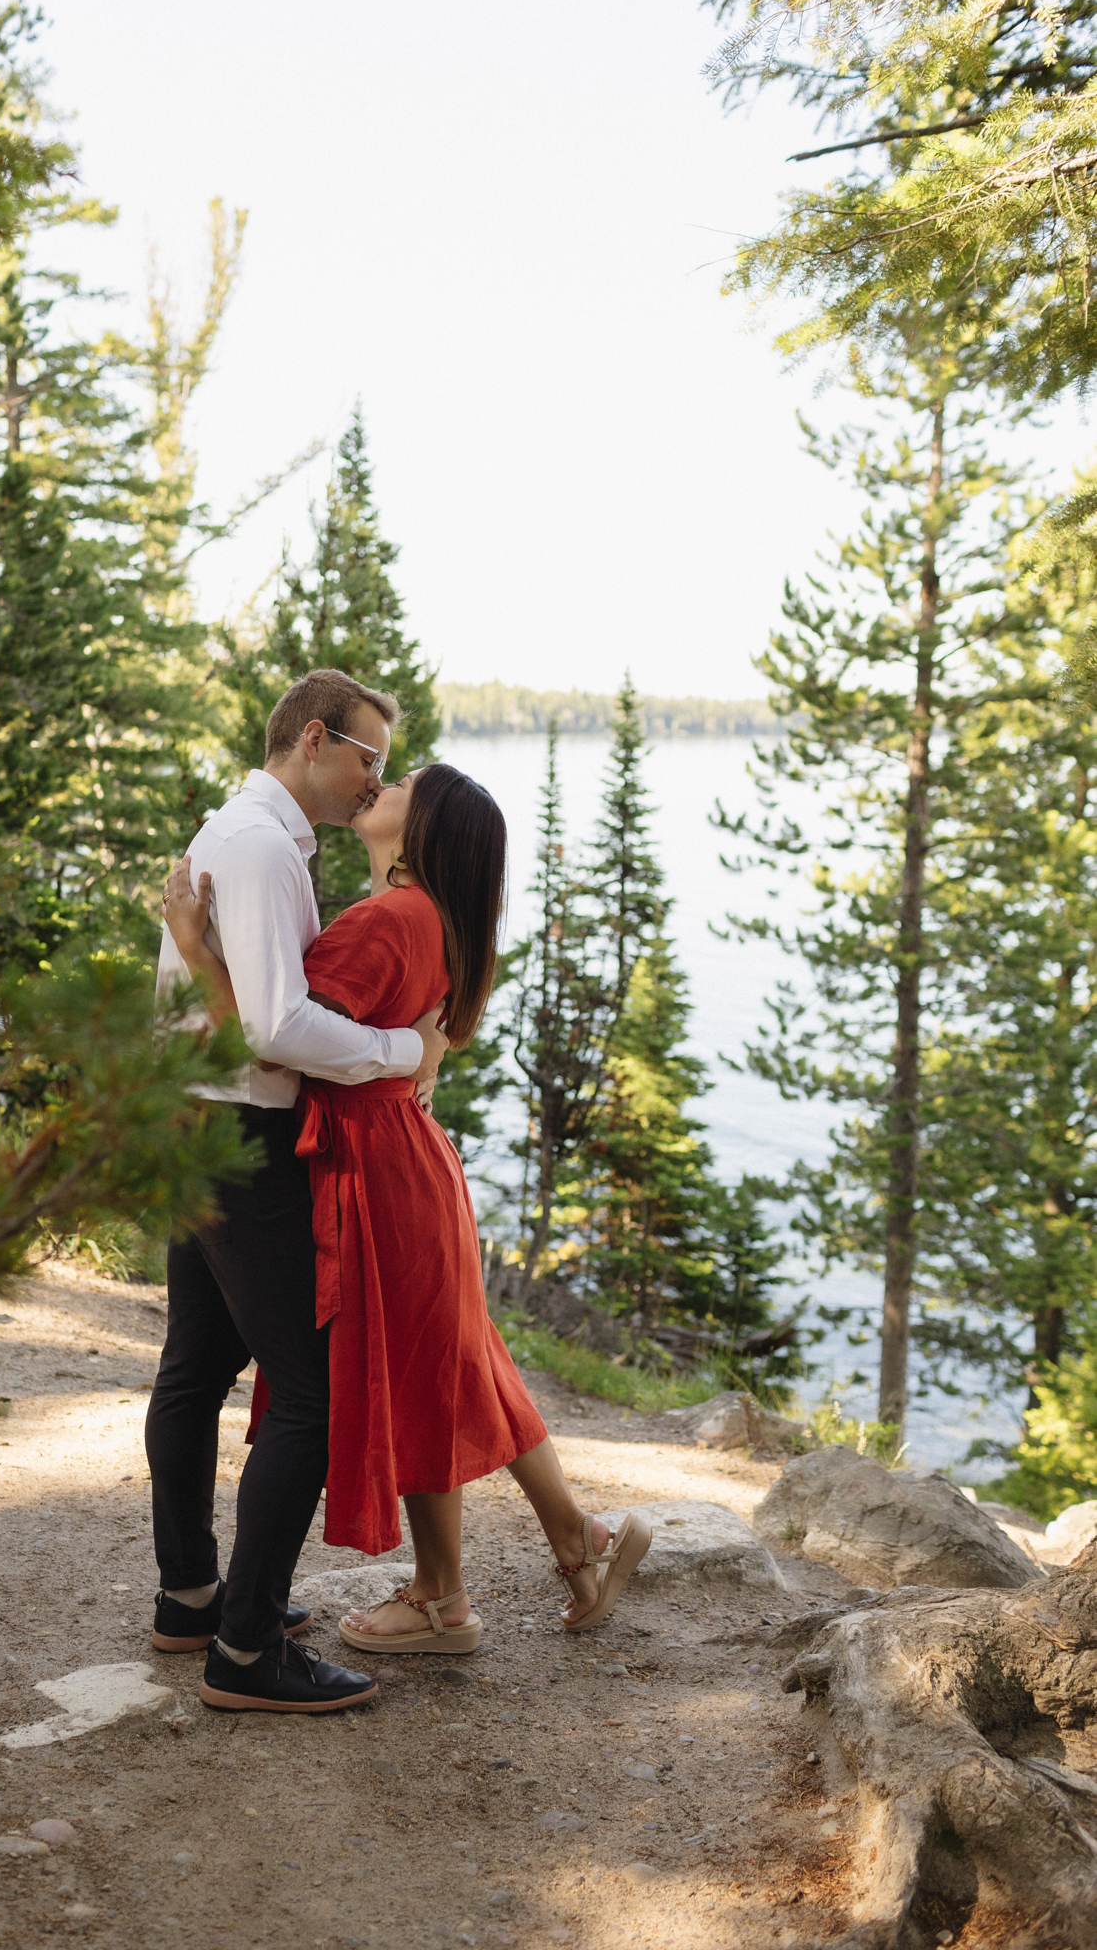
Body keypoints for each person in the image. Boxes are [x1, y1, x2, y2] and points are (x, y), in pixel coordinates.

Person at [163, 759, 651, 1655]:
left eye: (400, 787)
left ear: (421, 832)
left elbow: (281, 1043)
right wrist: (411, 1059)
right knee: (448, 1361)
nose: (377, 789)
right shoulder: (441, 922)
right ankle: (527, 1558)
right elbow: (413, 1040)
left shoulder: (388, 918)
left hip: (376, 1167)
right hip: (406, 1158)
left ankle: (462, 1586)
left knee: (432, 1366)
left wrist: (195, 952)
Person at [145, 668, 450, 1714]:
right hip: (240, 1128)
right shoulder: (265, 848)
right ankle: (244, 1649)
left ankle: (191, 1595)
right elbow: (277, 1025)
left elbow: (204, 1004)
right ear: (314, 739)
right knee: (313, 1395)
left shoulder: (235, 833)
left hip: (195, 1112)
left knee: (197, 1359)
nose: (375, 777)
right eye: (369, 754)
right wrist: (404, 1047)